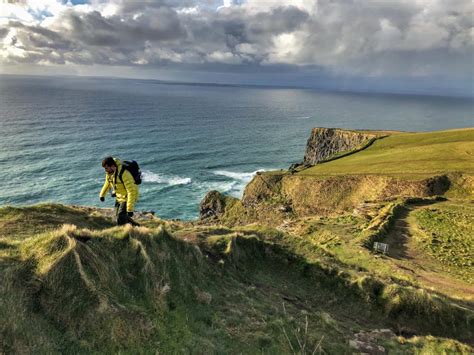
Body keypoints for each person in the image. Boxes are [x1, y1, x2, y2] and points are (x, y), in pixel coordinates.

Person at [99, 156, 140, 226]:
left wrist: (130, 209)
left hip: (128, 197)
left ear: (112, 166)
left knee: (120, 217)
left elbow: (131, 191)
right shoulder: (109, 173)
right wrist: (102, 195)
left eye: (106, 168)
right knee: (116, 215)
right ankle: (135, 226)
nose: (105, 170)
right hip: (119, 196)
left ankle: (122, 233)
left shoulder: (124, 174)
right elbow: (107, 183)